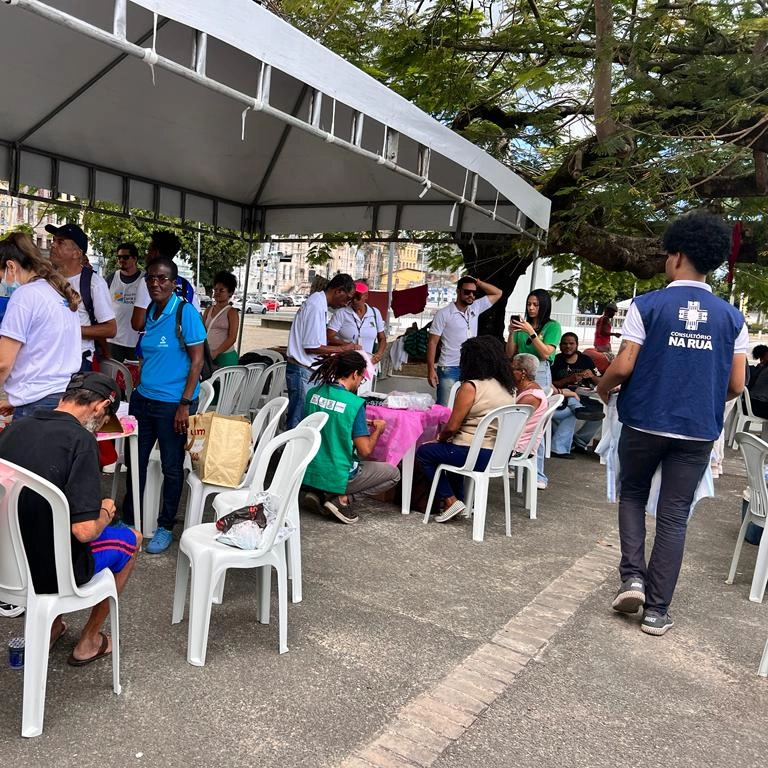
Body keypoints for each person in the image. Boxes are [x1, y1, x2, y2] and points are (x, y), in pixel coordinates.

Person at [595, 210, 747, 636]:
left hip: (644, 421)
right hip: (697, 429)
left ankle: (632, 579)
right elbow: (736, 383)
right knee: (674, 515)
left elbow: (624, 366)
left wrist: (604, 390)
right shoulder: (732, 317)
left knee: (632, 494)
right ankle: (658, 611)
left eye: (666, 254)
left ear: (678, 255)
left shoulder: (647, 305)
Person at [0, 372, 141, 664]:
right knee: (133, 538)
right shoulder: (81, 441)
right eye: (105, 419)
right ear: (101, 407)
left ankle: (51, 627)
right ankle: (89, 641)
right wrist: (105, 511)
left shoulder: (15, 428)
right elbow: (85, 530)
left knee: (47, 525)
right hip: (50, 573)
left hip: (7, 563)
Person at [123, 257, 206, 554]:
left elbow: (197, 362)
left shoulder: (185, 313)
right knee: (135, 462)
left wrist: (185, 404)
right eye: (151, 279)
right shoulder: (150, 312)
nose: (156, 283)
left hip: (173, 405)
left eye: (162, 279)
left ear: (173, 282)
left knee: (171, 467)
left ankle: (165, 526)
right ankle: (129, 521)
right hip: (143, 400)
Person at [417, 336, 517, 523]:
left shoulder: (471, 386)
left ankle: (450, 500)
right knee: (451, 453)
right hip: (499, 456)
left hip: (474, 454)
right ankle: (461, 504)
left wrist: (439, 438)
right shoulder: (508, 388)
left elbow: (452, 427)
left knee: (425, 452)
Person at [301, 351, 400, 524]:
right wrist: (378, 430)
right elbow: (365, 450)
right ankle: (341, 500)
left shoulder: (313, 394)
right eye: (362, 378)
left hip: (309, 471)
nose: (361, 382)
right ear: (355, 374)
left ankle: (319, 492)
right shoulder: (354, 404)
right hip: (338, 473)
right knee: (393, 474)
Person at [0, 232, 81, 418]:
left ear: (11, 266)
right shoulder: (57, 291)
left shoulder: (24, 296)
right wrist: (17, 400)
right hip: (63, 398)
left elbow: (3, 363)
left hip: (36, 406)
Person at [506, 289, 562, 488]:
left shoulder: (552, 326)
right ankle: (513, 462)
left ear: (544, 306)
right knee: (516, 417)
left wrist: (531, 332)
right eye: (529, 304)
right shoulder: (522, 326)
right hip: (519, 371)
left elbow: (547, 353)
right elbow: (510, 354)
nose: (531, 308)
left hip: (540, 371)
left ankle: (538, 474)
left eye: (535, 305)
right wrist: (512, 333)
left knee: (537, 424)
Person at [285, 273, 357, 428]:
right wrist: (342, 349)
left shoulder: (319, 303)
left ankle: (295, 450)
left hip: (306, 370)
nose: (346, 304)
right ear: (338, 291)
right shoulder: (316, 305)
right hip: (302, 369)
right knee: (299, 420)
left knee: (304, 418)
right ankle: (290, 451)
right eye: (348, 298)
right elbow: (311, 347)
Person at [46, 223, 116, 371]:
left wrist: (70, 329)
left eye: (60, 242)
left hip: (77, 362)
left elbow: (110, 329)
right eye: (53, 240)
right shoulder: (46, 279)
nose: (53, 245)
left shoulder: (93, 283)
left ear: (77, 253)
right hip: (47, 359)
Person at [427, 275, 502, 405]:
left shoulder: (475, 307)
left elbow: (498, 293)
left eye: (474, 292)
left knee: (465, 408)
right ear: (458, 291)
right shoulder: (444, 314)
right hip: (449, 367)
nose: (471, 295)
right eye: (467, 292)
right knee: (445, 409)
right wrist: (430, 369)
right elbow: (433, 342)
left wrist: (478, 282)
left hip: (470, 367)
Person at [549, 333, 605, 458]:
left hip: (584, 396)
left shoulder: (586, 360)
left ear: (577, 345)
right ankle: (561, 446)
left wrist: (592, 376)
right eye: (564, 343)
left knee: (600, 412)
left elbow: (602, 382)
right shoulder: (555, 360)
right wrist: (567, 380)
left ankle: (580, 441)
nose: (568, 346)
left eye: (571, 343)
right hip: (562, 397)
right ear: (560, 345)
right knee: (572, 410)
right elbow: (550, 385)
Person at [327, 281, 387, 394]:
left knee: (363, 395)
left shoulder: (374, 313)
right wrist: (346, 345)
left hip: (367, 363)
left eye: (358, 297)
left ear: (366, 296)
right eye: (352, 297)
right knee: (344, 395)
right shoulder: (342, 313)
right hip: (346, 363)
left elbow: (382, 338)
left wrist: (379, 354)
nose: (354, 301)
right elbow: (329, 336)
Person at [106, 242, 150, 361]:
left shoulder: (145, 280)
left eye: (125, 257)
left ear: (134, 258)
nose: (121, 260)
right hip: (113, 341)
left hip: (135, 341)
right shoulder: (111, 278)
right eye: (119, 257)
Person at [203, 270, 239, 367]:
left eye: (221, 290)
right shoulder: (208, 310)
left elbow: (232, 338)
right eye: (215, 290)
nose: (217, 293)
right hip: (209, 356)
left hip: (226, 357)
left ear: (230, 293)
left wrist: (216, 352)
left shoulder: (232, 312)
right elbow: (202, 332)